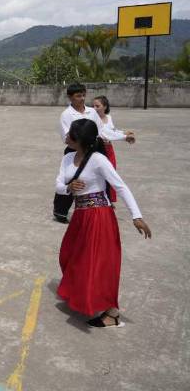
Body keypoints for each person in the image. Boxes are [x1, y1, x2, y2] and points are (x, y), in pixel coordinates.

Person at [55, 118, 151, 328]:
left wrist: (136, 215)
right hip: (80, 216)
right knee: (69, 256)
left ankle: (112, 313)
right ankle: (80, 295)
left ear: (81, 140)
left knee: (99, 265)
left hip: (99, 217)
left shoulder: (98, 159)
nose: (67, 136)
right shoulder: (68, 157)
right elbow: (58, 186)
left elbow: (121, 186)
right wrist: (69, 187)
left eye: (71, 134)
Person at [53, 83, 122, 223]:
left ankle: (103, 204)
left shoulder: (92, 112)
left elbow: (102, 130)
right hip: (75, 150)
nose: (82, 98)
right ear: (70, 97)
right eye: (78, 96)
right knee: (71, 180)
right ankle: (60, 210)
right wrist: (81, 142)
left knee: (101, 178)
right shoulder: (66, 115)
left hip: (94, 149)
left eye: (84, 95)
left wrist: (124, 136)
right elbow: (67, 137)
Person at [92, 95, 136, 203]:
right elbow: (105, 134)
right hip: (98, 149)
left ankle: (109, 200)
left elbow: (112, 131)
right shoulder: (93, 119)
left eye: (97, 106)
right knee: (100, 175)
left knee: (111, 174)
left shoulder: (109, 117)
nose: (94, 108)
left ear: (105, 107)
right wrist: (124, 137)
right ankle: (101, 199)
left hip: (109, 149)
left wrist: (123, 133)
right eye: (93, 106)